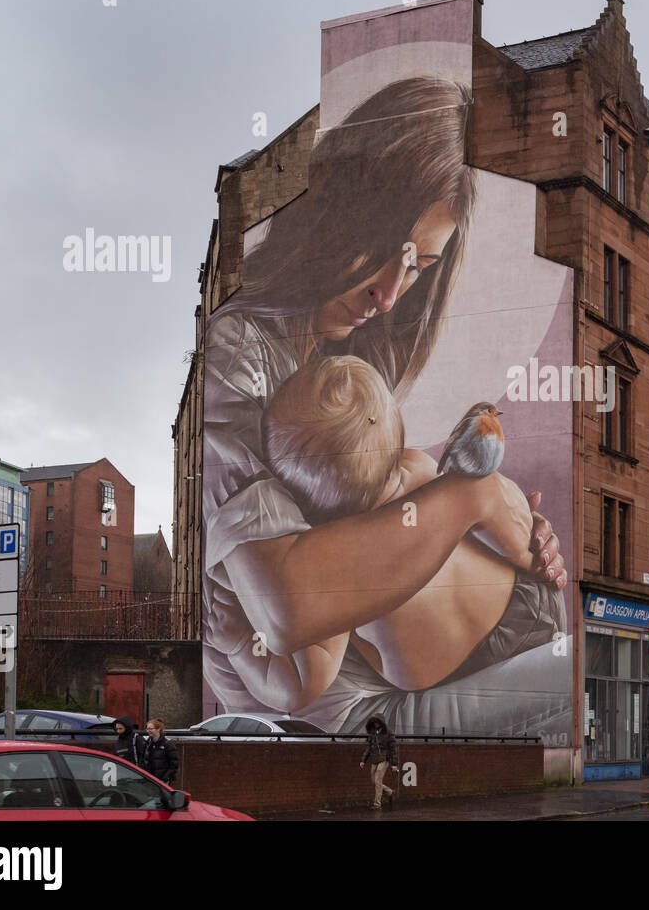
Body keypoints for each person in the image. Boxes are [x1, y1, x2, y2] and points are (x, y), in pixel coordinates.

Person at [201, 76, 568, 733]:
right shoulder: (242, 346)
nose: (392, 295)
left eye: (420, 268)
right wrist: (471, 500)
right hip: (362, 709)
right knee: (585, 681)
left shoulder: (355, 361)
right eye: (391, 255)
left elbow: (393, 512)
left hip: (490, 636)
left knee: (590, 675)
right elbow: (289, 605)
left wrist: (498, 519)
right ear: (343, 211)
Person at [261, 353, 564, 692]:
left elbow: (314, 666)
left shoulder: (339, 559)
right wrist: (533, 551)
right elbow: (508, 535)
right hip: (526, 607)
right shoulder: (420, 467)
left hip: (452, 681)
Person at [360, 715, 398, 810]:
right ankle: (389, 792)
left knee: (377, 780)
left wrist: (394, 764)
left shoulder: (388, 733)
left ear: (381, 723)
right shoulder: (372, 733)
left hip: (384, 759)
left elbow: (393, 749)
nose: (375, 724)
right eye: (374, 723)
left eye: (377, 722)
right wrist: (363, 760)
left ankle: (377, 804)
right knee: (374, 781)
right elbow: (369, 747)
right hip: (374, 759)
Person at [143, 719, 180, 785]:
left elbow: (174, 764)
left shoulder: (167, 744)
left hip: (163, 781)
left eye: (151, 729)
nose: (148, 731)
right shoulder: (147, 743)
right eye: (147, 729)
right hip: (150, 779)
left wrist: (165, 778)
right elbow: (143, 760)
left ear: (158, 729)